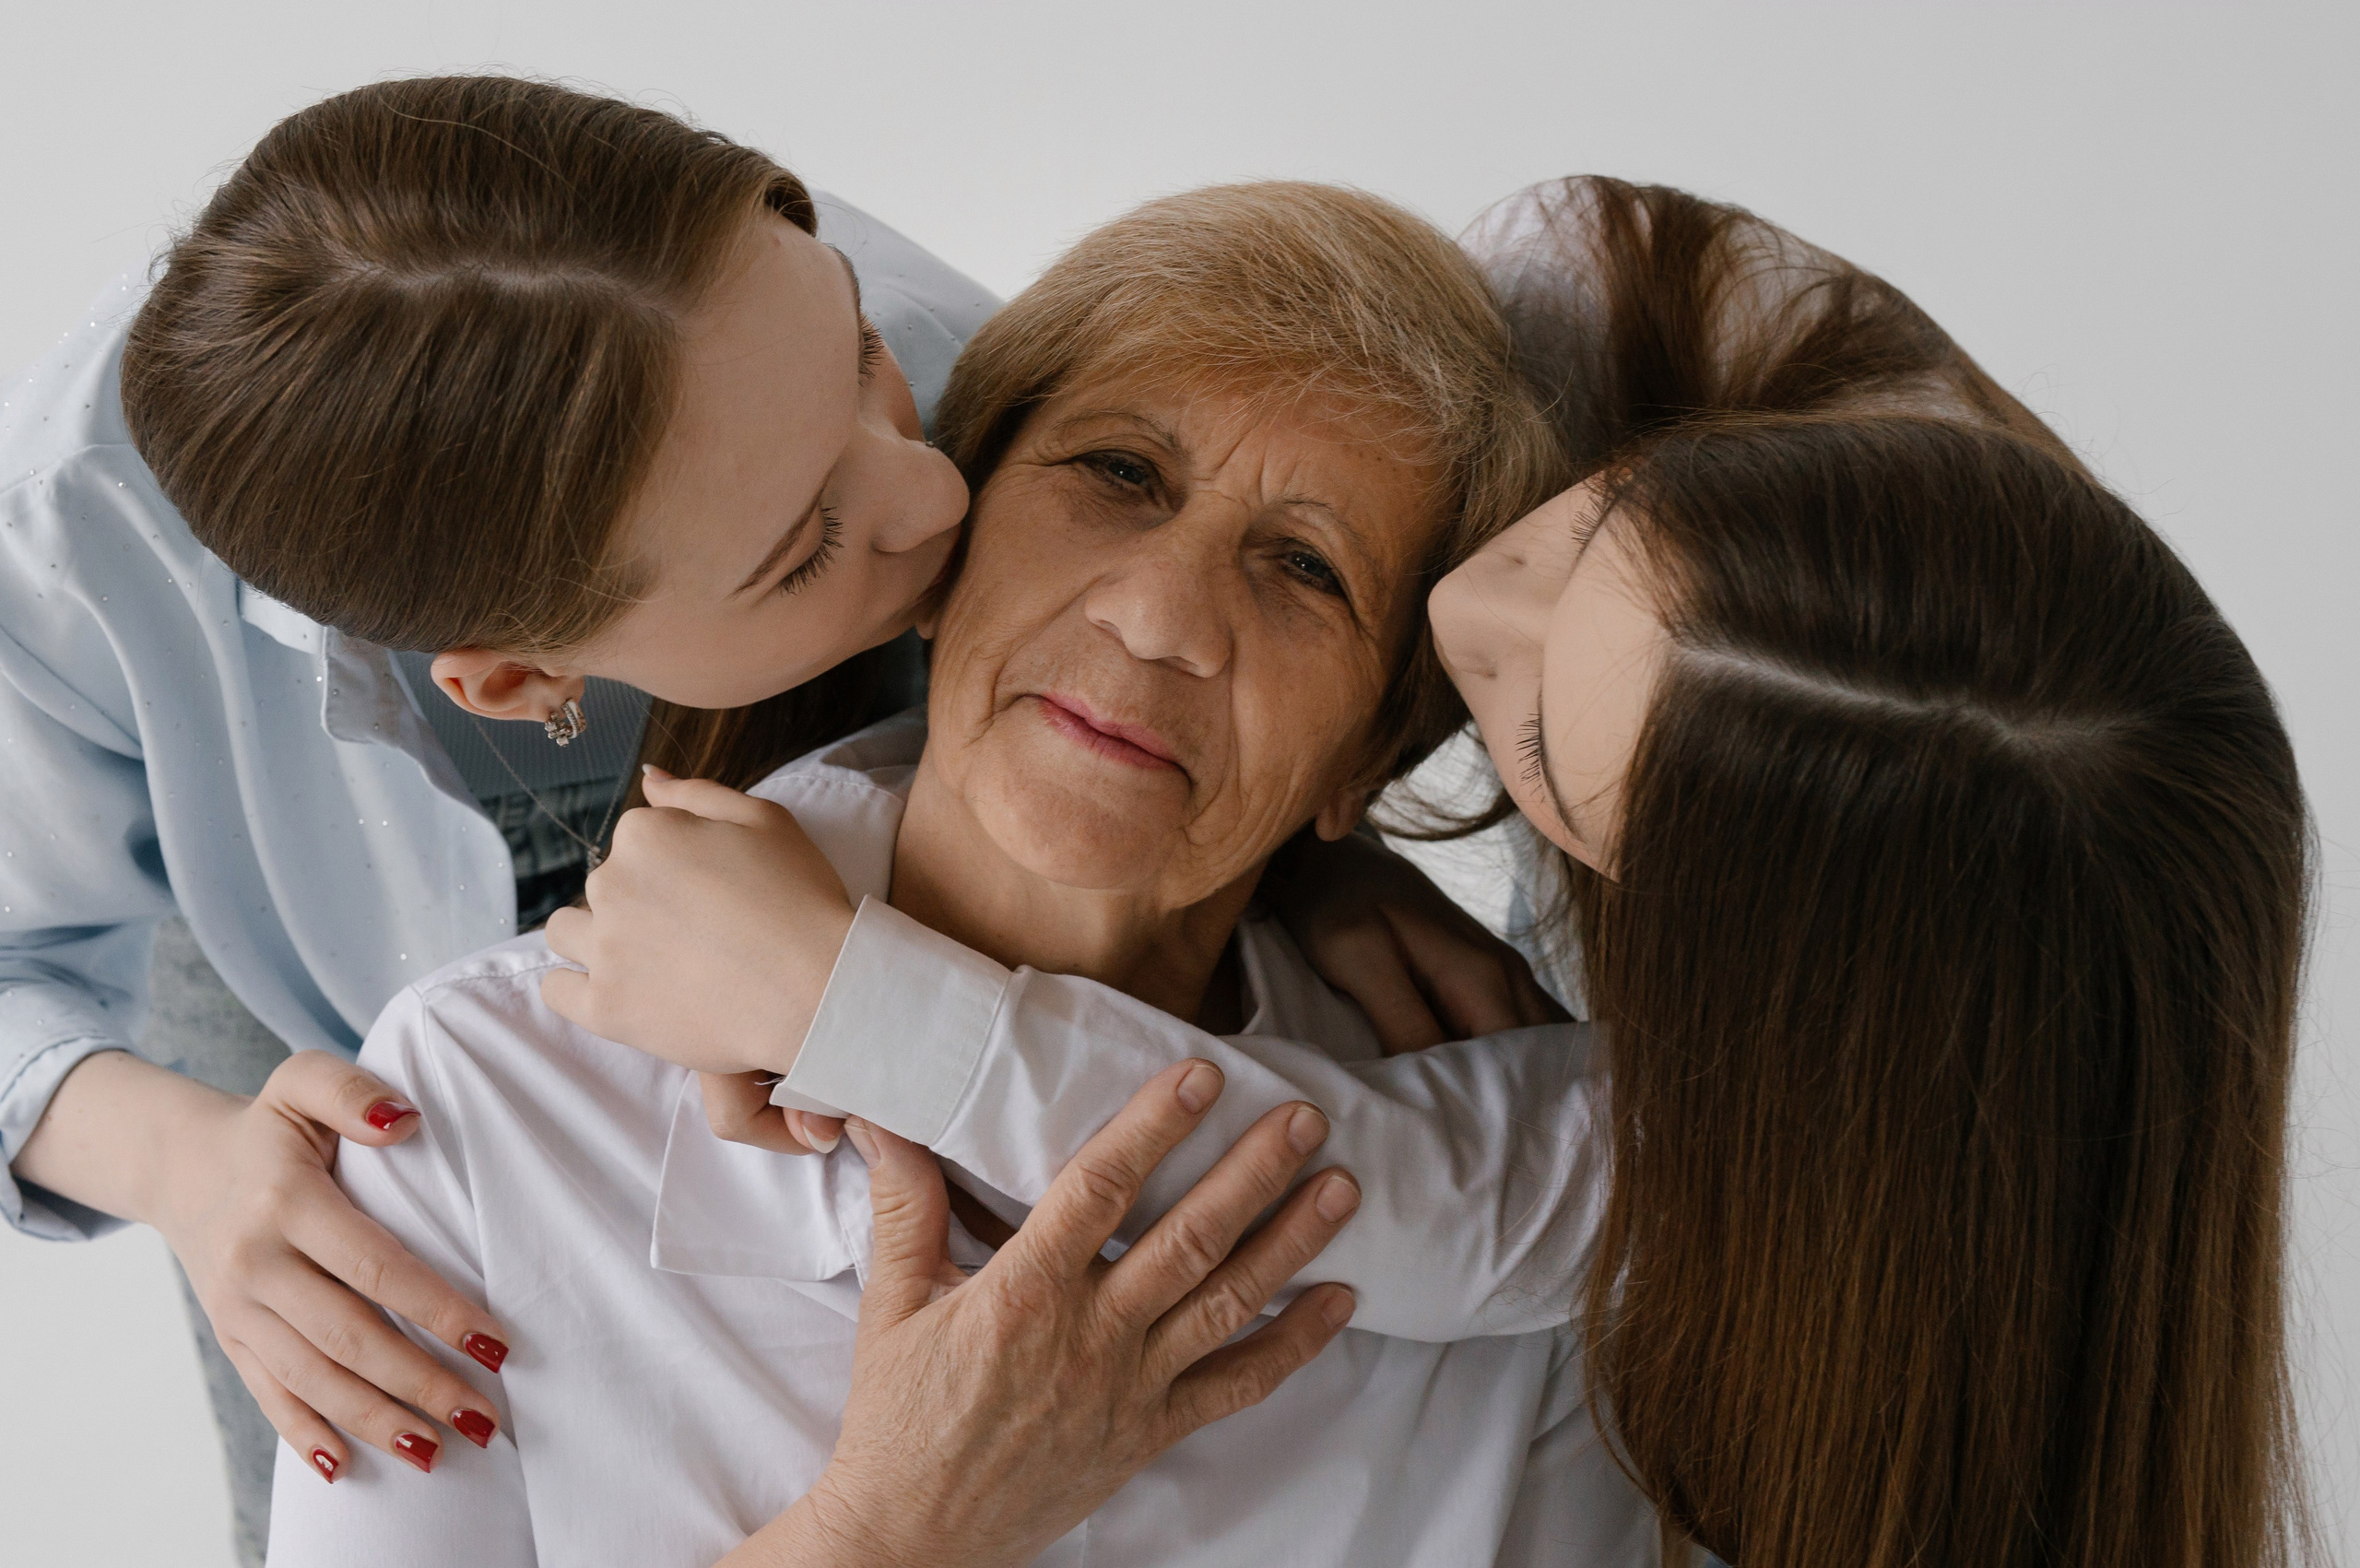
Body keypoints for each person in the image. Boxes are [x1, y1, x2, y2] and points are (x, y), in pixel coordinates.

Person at [567, 179, 2310, 1567]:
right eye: (1582, 537)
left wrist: (851, 1002)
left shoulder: (1756, 1141)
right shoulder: (1608, 297)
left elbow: (1396, 1195)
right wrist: (1279, 839)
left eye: (1524, 744)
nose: (1467, 614)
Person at [0, 76, 1521, 1562]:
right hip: (279, 963)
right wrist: (192, 1167)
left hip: (866, 887)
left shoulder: (816, 332)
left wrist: (1304, 850)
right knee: (349, 1327)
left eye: (861, 357)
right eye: (807, 542)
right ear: (522, 678)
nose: (936, 496)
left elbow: (1167, 624)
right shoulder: (76, 545)